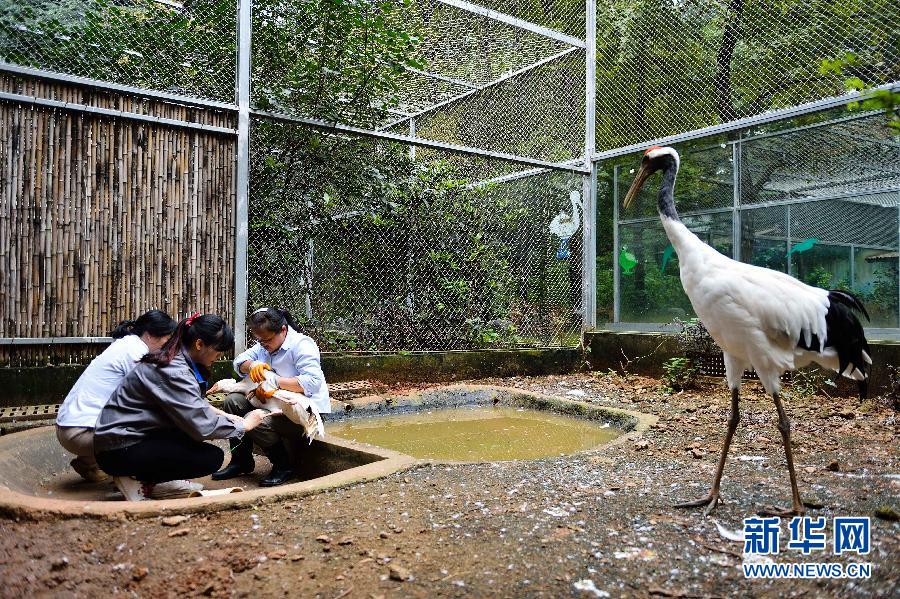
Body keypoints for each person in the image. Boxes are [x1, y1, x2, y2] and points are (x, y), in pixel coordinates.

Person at [93, 313, 269, 501]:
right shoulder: (175, 371)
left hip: (120, 440)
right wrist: (245, 425)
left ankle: (147, 478)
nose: (218, 358)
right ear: (199, 344)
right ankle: (139, 480)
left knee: (189, 439)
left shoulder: (175, 359)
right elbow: (201, 425)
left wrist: (227, 417)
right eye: (217, 352)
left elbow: (192, 404)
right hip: (118, 449)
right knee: (210, 458)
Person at [212, 307, 330, 486]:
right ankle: (241, 460)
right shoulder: (263, 345)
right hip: (273, 405)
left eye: (266, 339)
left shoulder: (302, 345)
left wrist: (272, 382)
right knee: (232, 401)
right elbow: (239, 362)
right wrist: (252, 366)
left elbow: (312, 383)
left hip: (304, 414)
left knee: (255, 420)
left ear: (283, 330)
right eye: (258, 340)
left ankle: (283, 467)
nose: (262, 344)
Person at [56, 309, 177, 483]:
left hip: (68, 428)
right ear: (150, 335)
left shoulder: (125, 344)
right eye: (167, 339)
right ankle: (128, 477)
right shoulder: (136, 353)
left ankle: (89, 462)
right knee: (158, 423)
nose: (168, 346)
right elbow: (156, 397)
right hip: (81, 433)